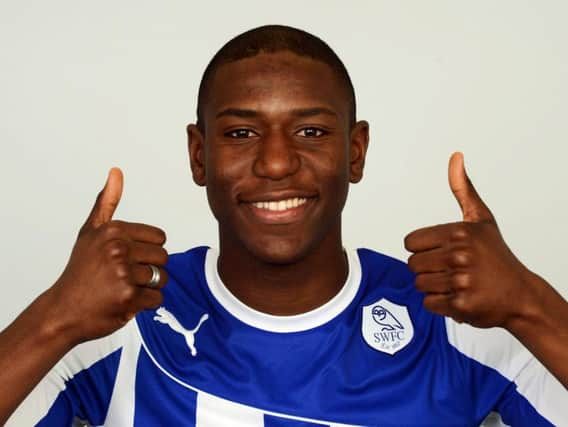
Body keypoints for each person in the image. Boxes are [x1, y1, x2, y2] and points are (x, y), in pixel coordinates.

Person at [2, 25, 567, 426]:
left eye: (312, 132)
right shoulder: (116, 321)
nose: (276, 163)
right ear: (199, 156)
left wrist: (530, 305)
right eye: (241, 133)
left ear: (357, 150)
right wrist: (53, 317)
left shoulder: (457, 318)